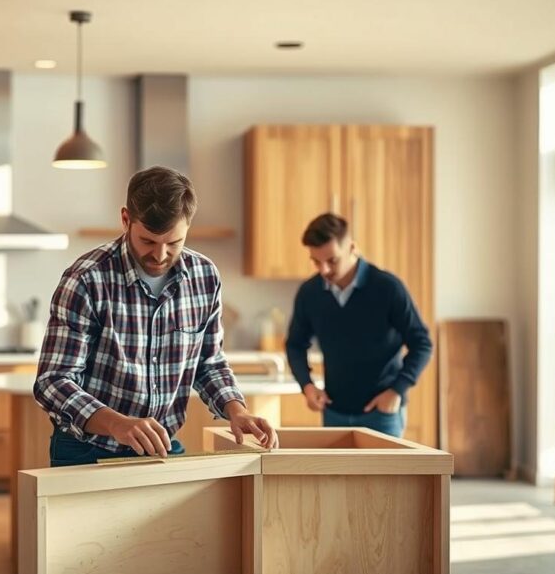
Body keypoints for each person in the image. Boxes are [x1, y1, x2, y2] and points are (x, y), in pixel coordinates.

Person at [34, 166, 277, 467]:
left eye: (174, 243)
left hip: (160, 447)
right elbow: (53, 381)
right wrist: (118, 424)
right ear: (126, 220)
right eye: (148, 241)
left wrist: (237, 410)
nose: (160, 256)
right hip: (87, 450)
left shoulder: (204, 277)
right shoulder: (86, 280)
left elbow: (208, 362)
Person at [285, 213, 432, 438]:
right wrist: (307, 386)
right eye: (316, 261)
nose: (323, 270)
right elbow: (295, 344)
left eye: (332, 260)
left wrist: (397, 390)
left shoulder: (388, 288)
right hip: (334, 413)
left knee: (385, 475)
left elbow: (422, 343)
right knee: (336, 475)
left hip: (383, 414)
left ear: (352, 248)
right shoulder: (309, 293)